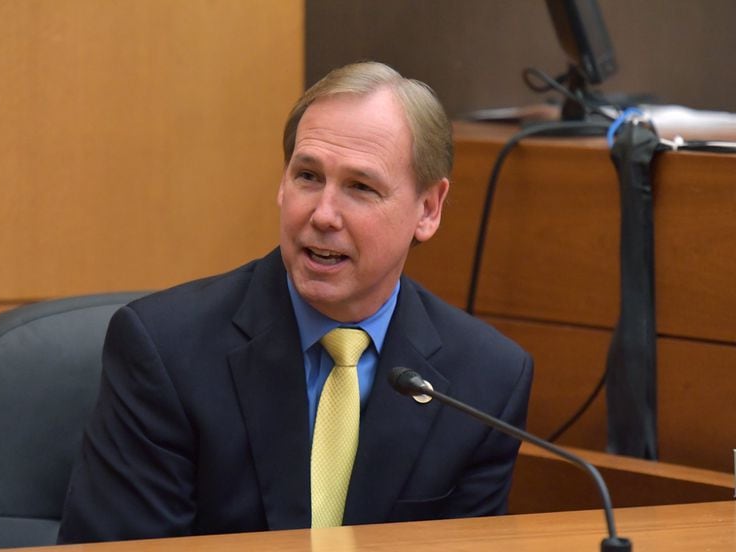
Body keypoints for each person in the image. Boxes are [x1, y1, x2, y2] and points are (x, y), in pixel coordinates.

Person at [58, 61, 533, 543]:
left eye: (360, 187)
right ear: (282, 184)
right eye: (308, 176)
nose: (323, 214)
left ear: (428, 210)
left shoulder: (485, 381)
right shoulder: (165, 351)